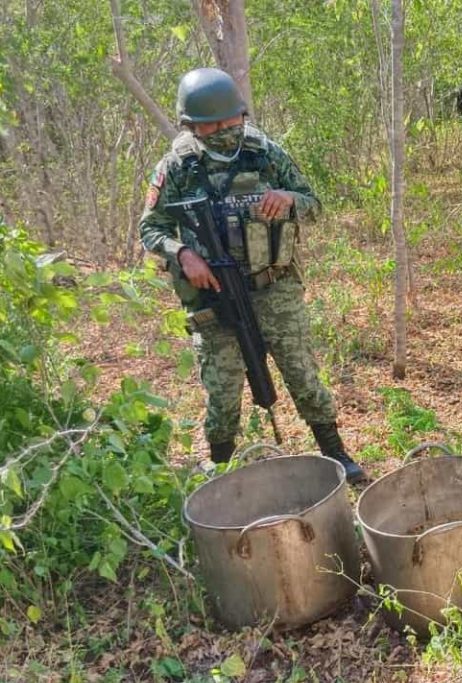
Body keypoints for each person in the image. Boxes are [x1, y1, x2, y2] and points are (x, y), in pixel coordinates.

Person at [139, 67, 366, 483]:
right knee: (222, 391)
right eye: (213, 124)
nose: (225, 130)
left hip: (273, 285)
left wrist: (287, 199)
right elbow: (149, 228)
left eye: (232, 121)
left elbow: (314, 203)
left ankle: (337, 453)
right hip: (214, 294)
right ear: (191, 125)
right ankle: (222, 469)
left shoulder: (265, 153)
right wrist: (183, 253)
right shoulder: (177, 167)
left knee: (301, 372)